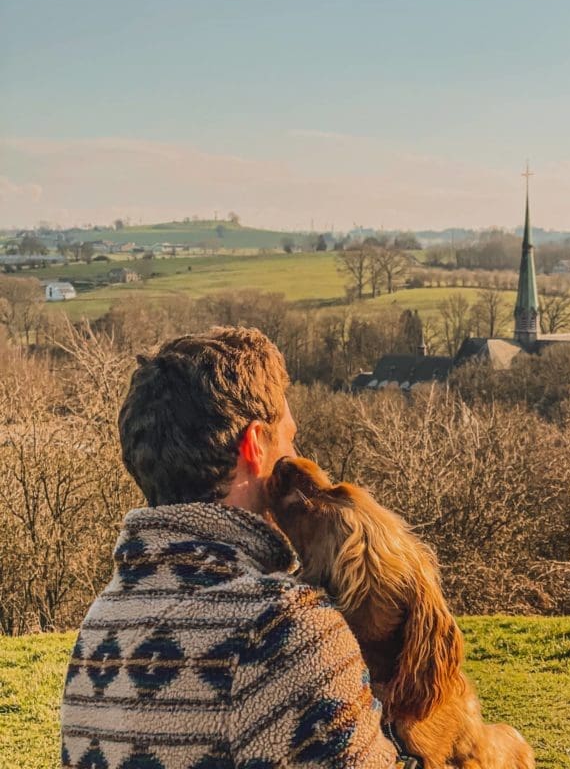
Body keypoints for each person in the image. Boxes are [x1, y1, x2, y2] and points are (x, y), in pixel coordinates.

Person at [60, 327, 399, 769]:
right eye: (289, 439)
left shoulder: (100, 628)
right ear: (255, 444)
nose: (296, 456)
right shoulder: (283, 629)